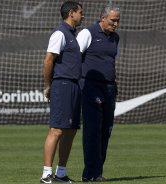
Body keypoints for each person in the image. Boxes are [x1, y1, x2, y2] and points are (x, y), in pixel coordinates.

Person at [40, 1, 84, 183]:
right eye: (81, 12)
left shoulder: (73, 35)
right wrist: (49, 85)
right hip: (62, 85)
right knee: (56, 130)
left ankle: (61, 173)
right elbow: (48, 60)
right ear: (71, 13)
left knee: (71, 130)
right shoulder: (60, 33)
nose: (83, 15)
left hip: (74, 86)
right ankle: (46, 174)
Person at [76, 3, 120, 182]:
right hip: (90, 86)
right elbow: (74, 57)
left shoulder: (115, 37)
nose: (116, 24)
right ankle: (90, 174)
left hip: (109, 87)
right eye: (113, 20)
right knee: (92, 130)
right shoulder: (88, 33)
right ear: (103, 18)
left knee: (106, 130)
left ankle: (97, 172)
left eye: (118, 20)